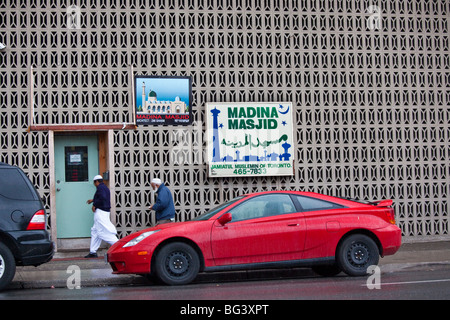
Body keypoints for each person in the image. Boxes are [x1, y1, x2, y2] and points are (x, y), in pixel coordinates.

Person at [85, 175, 118, 258]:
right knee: (95, 231)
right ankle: (93, 251)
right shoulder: (105, 188)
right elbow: (102, 197)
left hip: (101, 212)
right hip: (104, 211)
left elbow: (102, 198)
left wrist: (94, 204)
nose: (94, 184)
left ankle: (118, 244)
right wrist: (93, 200)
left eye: (94, 183)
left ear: (96, 182)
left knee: (101, 232)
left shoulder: (100, 188)